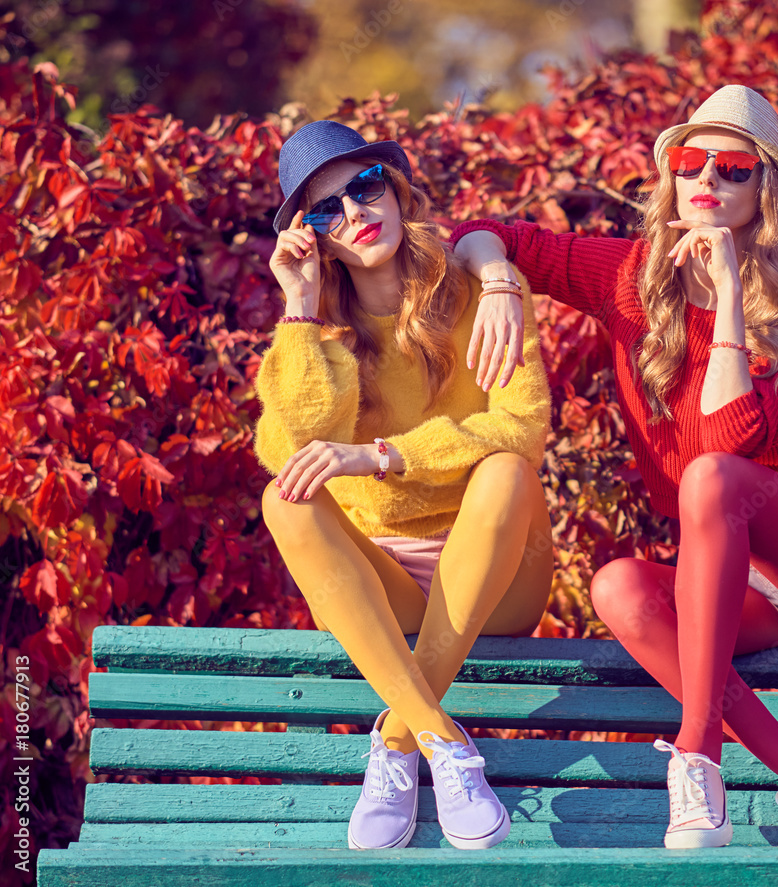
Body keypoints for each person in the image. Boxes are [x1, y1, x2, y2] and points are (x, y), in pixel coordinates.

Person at [451, 84, 778, 850]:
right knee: (617, 586)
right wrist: (498, 282)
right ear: (671, 176)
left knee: (708, 477)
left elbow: (727, 445)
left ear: (766, 193)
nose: (708, 181)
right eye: (692, 162)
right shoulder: (626, 276)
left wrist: (728, 292)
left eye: (733, 169)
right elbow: (484, 233)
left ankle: (696, 754)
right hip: (733, 586)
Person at [253, 120, 554, 852]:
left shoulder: (483, 294)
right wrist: (297, 305)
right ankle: (438, 744)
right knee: (281, 498)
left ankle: (394, 737)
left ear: (396, 188)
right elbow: (290, 449)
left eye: (365, 186)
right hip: (381, 581)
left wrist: (384, 456)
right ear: (312, 236)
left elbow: (523, 428)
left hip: (495, 569)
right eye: (328, 208)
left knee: (507, 469)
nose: (355, 213)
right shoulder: (313, 330)